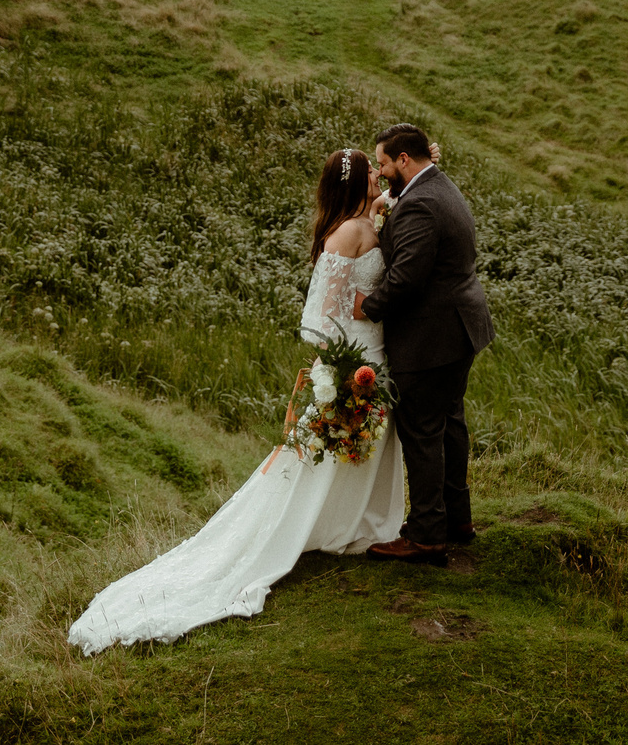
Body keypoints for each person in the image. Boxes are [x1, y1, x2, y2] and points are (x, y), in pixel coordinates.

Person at [65, 148, 406, 653]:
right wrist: (344, 352)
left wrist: (380, 213)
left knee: (343, 451)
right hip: (356, 352)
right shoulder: (351, 232)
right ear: (360, 183)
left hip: (368, 349)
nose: (381, 180)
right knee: (328, 453)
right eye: (374, 175)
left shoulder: (358, 222)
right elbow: (326, 309)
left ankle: (350, 522)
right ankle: (331, 527)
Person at [355, 122, 495, 562]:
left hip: (433, 335)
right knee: (450, 422)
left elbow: (406, 280)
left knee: (422, 431)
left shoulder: (419, 205)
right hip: (461, 326)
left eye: (382, 163)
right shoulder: (437, 185)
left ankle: (426, 534)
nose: (379, 172)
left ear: (403, 160)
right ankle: (457, 518)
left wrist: (367, 307)